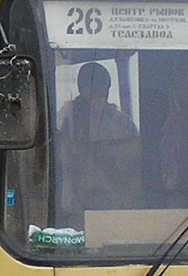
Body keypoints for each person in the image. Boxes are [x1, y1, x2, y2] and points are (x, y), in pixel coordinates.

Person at [56, 62, 138, 219]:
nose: (98, 93)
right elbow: (61, 161)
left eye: (103, 87)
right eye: (92, 88)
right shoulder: (65, 118)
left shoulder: (120, 121)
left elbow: (133, 162)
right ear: (82, 88)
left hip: (115, 204)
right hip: (73, 205)